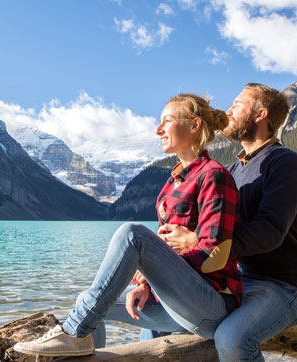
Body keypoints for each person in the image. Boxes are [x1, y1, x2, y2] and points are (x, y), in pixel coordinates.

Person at [14, 94, 242, 357]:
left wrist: (160, 270)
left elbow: (216, 256)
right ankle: (81, 344)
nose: (158, 130)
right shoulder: (173, 183)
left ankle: (73, 334)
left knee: (132, 234)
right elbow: (165, 249)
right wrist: (145, 284)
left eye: (167, 121)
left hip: (212, 304)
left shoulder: (214, 176)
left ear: (194, 125)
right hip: (175, 301)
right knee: (87, 302)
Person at [157, 83, 297, 362]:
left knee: (233, 339)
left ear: (260, 114)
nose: (228, 110)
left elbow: (269, 233)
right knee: (157, 327)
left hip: (285, 286)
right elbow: (212, 228)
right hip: (237, 280)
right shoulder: (231, 170)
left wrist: (197, 239)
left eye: (237, 104)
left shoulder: (285, 163)